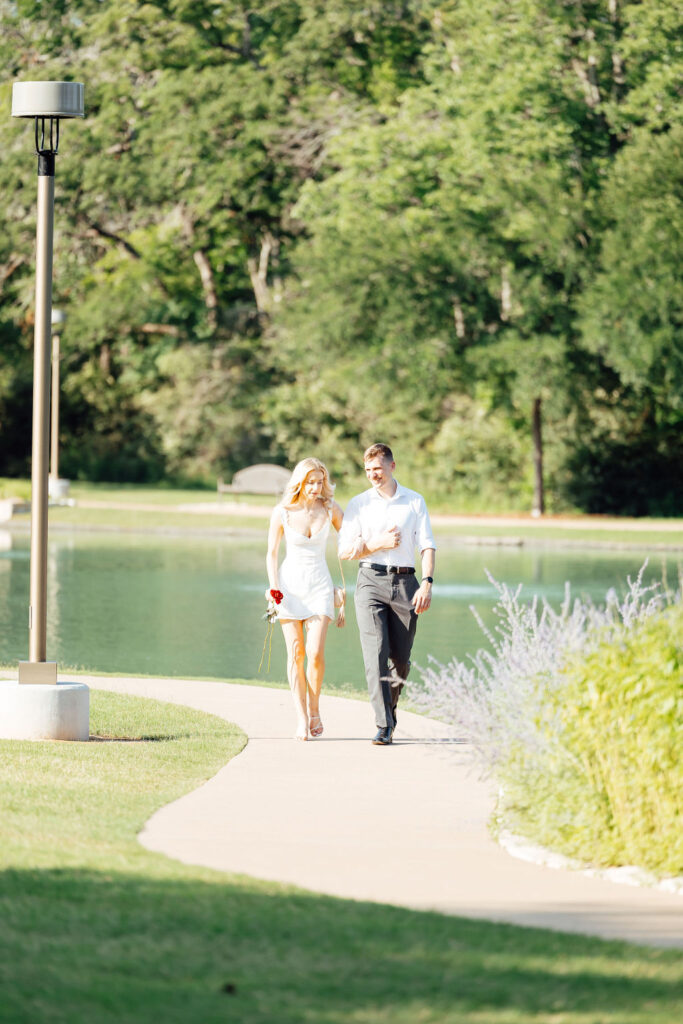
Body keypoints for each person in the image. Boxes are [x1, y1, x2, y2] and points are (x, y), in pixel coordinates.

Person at [339, 443, 435, 745]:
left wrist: (427, 582)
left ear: (392, 466)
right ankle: (383, 724)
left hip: (406, 584)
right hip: (370, 581)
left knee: (400, 660)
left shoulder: (415, 502)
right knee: (375, 653)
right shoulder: (359, 504)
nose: (372, 475)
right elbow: (344, 551)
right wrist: (377, 543)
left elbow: (427, 546)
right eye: (367, 471)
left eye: (377, 469)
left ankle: (390, 709)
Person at [266, 458, 344, 741]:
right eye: (310, 482)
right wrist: (274, 588)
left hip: (320, 587)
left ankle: (315, 710)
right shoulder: (283, 512)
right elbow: (272, 553)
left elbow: (350, 537)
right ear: (300, 482)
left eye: (319, 482)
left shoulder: (330, 508)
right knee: (296, 653)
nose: (315, 487)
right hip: (288, 588)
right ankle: (301, 718)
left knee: (315, 653)